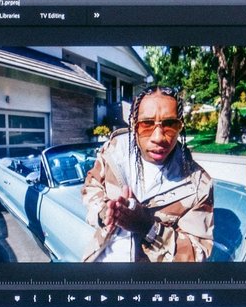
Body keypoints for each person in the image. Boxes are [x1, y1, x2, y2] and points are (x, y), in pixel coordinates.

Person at [79, 85, 216, 263]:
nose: (158, 137)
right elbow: (91, 185)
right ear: (134, 125)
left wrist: (148, 227)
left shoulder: (199, 185)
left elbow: (197, 255)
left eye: (170, 124)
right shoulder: (113, 151)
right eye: (147, 124)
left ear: (180, 126)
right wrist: (105, 211)